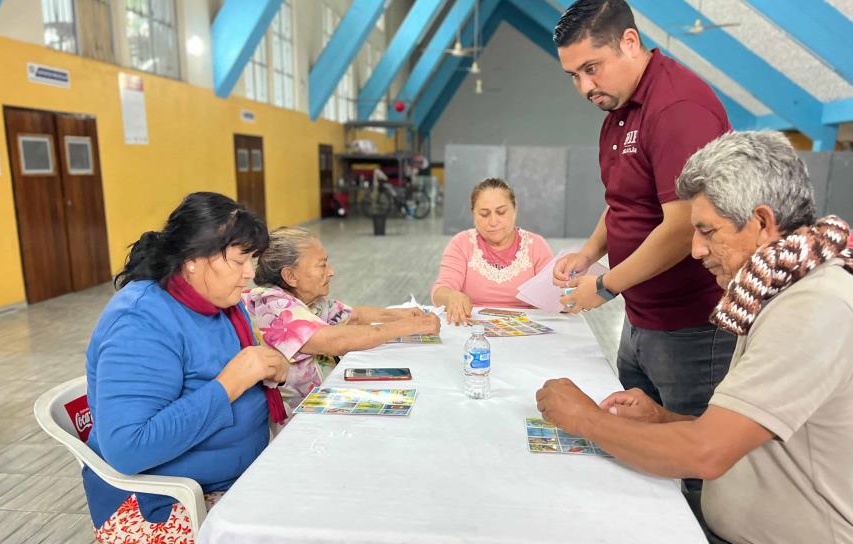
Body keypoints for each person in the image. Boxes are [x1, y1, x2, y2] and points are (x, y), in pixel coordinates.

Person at [536, 131, 853, 544]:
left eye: (708, 231)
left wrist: (584, 419)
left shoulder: (816, 306)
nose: (696, 250)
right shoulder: (785, 290)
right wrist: (664, 419)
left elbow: (705, 453)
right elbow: (756, 437)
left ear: (762, 223)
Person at [551, 0, 735, 419]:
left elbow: (682, 226)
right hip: (640, 319)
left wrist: (604, 286)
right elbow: (624, 200)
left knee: (687, 462)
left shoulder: (677, 108)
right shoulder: (619, 108)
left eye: (592, 68)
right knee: (635, 446)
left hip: (691, 327)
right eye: (574, 76)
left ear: (629, 42)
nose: (584, 87)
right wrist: (588, 255)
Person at [85, 192, 290, 543]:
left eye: (252, 260)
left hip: (235, 476)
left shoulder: (220, 301)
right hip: (160, 503)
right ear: (194, 259)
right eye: (240, 260)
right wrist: (231, 383)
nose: (251, 274)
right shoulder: (141, 321)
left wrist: (270, 366)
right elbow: (127, 448)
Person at [245, 226, 441, 406]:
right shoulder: (272, 306)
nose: (331, 272)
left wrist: (402, 314)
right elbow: (336, 341)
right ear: (291, 276)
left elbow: (355, 316)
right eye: (322, 265)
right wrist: (410, 326)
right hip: (298, 415)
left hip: (324, 395)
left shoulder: (307, 300)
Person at [432, 178, 554, 325]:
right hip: (473, 330)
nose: (493, 222)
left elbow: (554, 296)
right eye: (484, 214)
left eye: (501, 212)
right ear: (473, 215)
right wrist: (451, 296)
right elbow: (440, 291)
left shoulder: (536, 246)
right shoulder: (461, 244)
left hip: (525, 330)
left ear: (515, 209)